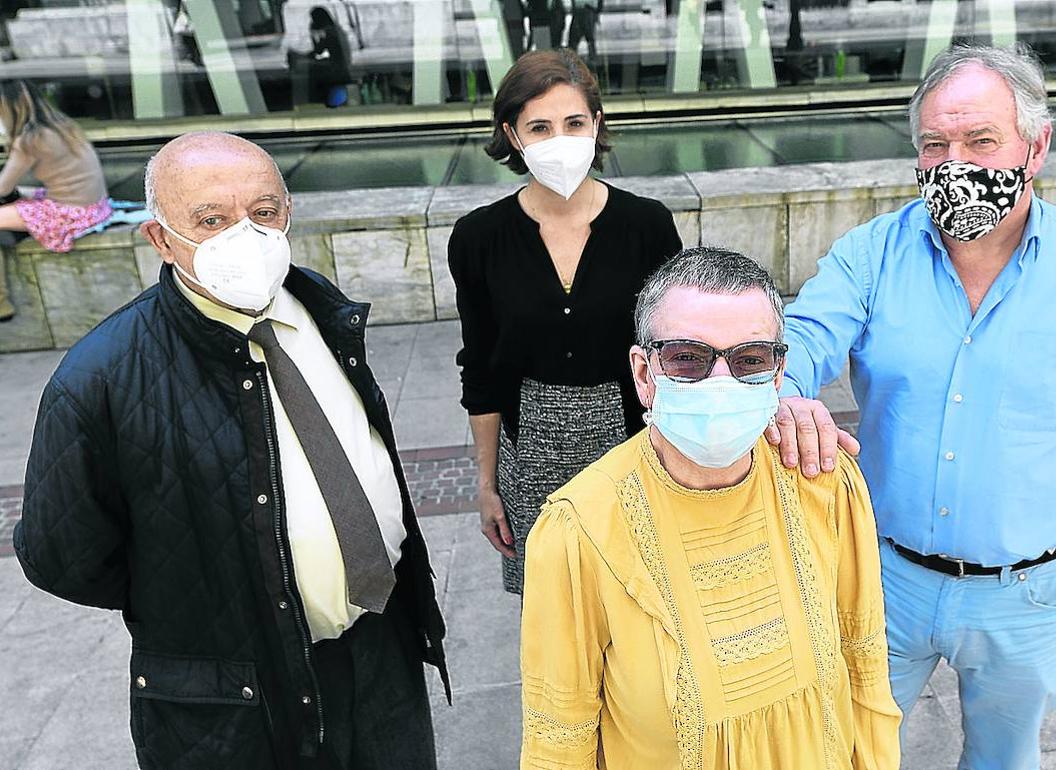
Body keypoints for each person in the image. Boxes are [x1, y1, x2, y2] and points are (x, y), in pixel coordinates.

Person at [772, 44, 1056, 768]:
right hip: (884, 580)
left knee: (1004, 760)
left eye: (981, 141)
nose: (955, 163)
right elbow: (801, 338)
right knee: (840, 752)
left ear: (1035, 147)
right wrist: (782, 395)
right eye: (935, 144)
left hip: (1029, 594)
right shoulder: (869, 255)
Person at [14, 131, 447, 770]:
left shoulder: (320, 313)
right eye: (210, 220)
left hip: (382, 649)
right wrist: (204, 594)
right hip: (240, 696)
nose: (244, 235)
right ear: (161, 239)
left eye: (263, 212)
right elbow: (63, 556)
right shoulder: (100, 378)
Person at [519, 247, 901, 769]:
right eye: (687, 358)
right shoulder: (578, 529)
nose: (720, 383)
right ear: (644, 372)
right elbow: (559, 739)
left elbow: (864, 668)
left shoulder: (825, 482)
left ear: (777, 372)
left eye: (749, 360)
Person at [450, 48, 681, 595]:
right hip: (529, 447)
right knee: (554, 613)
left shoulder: (647, 225)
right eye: (540, 126)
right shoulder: (479, 237)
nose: (560, 139)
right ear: (512, 135)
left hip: (634, 440)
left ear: (596, 124)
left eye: (574, 122)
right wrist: (487, 485)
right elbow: (479, 366)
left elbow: (674, 351)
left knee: (641, 602)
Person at [0, 79, 110, 321]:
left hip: (69, 215)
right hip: (94, 208)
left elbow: (3, 186)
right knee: (23, 193)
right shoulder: (62, 126)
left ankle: (1, 303)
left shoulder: (29, 140)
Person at [308, 6, 353, 108]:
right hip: (341, 66)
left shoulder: (331, 33)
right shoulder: (336, 30)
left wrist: (312, 35)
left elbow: (318, 50)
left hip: (338, 71)